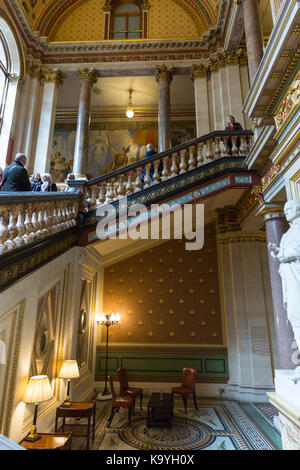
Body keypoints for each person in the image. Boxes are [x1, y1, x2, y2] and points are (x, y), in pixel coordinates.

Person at [268, 201, 300, 378]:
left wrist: (285, 255)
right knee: (295, 318)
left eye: (289, 209)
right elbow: (285, 255)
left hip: (297, 275)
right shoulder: (287, 235)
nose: (286, 212)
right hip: (290, 278)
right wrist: (278, 254)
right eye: (285, 209)